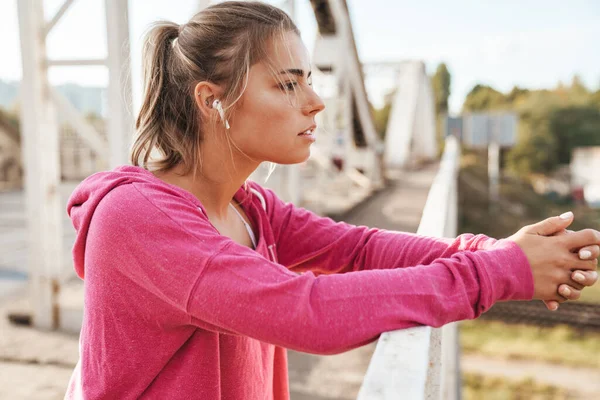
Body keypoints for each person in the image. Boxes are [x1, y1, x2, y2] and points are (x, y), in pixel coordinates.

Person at [64, 2, 599, 399]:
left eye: (310, 81)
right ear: (212, 99)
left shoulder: (250, 208)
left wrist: (492, 250)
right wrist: (494, 275)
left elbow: (360, 249)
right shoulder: (138, 220)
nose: (316, 103)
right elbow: (307, 312)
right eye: (288, 85)